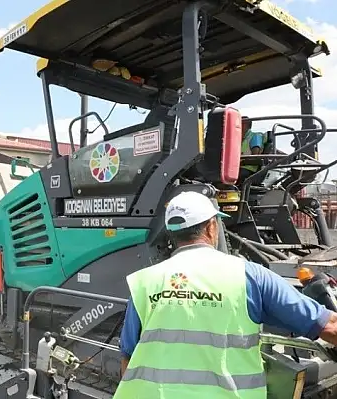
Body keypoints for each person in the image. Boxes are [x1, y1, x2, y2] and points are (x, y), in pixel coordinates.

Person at [114, 191, 337, 398]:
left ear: (172, 233)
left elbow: (128, 359)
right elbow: (327, 326)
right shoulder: (249, 275)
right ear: (212, 228)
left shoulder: (144, 282)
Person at [238, 117, 267, 184]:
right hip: (237, 166)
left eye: (241, 123)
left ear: (247, 125)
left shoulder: (255, 136)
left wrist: (241, 162)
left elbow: (255, 156)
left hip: (248, 168)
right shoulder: (238, 139)